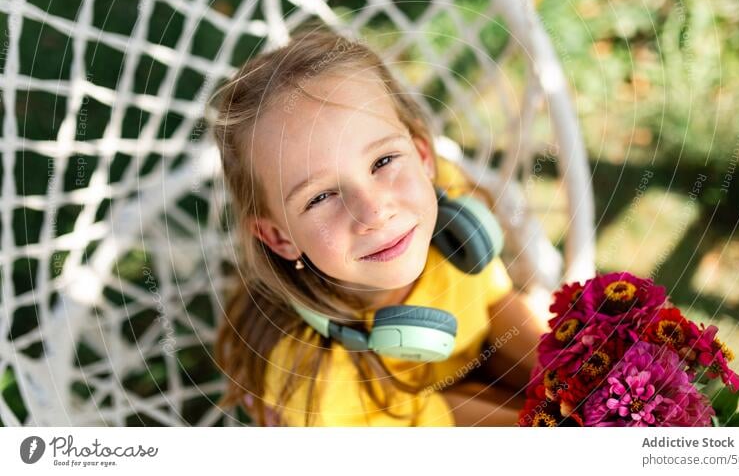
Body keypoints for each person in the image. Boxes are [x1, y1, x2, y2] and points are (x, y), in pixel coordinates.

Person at [209, 26, 548, 426]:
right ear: (280, 238)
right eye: (319, 197)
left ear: (423, 157)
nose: (373, 212)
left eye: (383, 162)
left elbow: (494, 302)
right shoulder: (310, 380)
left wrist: (572, 381)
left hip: (474, 382)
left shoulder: (450, 211)